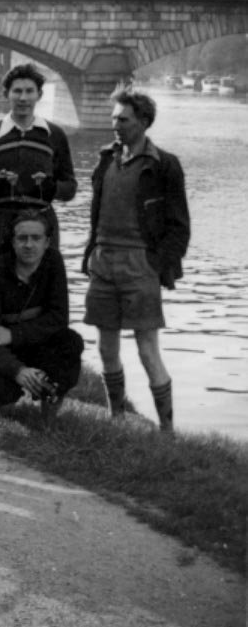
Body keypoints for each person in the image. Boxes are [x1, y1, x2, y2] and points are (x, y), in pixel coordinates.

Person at [82, 89, 190, 433]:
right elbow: (96, 213)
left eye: (123, 119)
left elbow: (179, 227)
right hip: (103, 262)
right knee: (105, 346)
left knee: (147, 350)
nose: (115, 125)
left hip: (139, 265)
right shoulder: (105, 159)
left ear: (143, 122)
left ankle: (167, 431)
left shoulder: (165, 165)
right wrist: (90, 252)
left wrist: (156, 265)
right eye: (114, 118)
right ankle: (116, 418)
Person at [0, 63, 77, 273]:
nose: (23, 98)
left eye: (29, 91)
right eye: (17, 91)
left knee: (40, 293)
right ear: (7, 94)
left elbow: (70, 188)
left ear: (39, 94)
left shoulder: (55, 135)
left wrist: (51, 187)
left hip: (41, 224)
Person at [0, 209, 83, 421]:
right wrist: (18, 371)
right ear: (12, 242)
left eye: (36, 238)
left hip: (33, 340)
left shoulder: (53, 262)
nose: (29, 245)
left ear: (47, 242)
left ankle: (49, 409)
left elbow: (59, 318)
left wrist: (14, 334)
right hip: (0, 347)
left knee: (71, 342)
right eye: (22, 238)